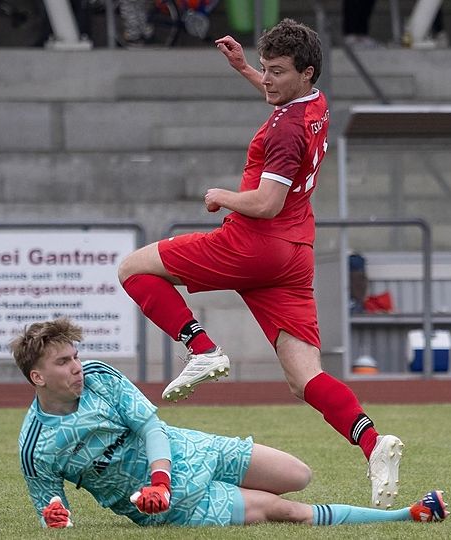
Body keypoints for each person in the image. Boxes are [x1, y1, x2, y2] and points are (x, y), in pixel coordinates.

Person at [117, 19, 405, 510]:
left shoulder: (287, 130)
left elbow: (268, 202)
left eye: (276, 71)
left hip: (253, 243)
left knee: (132, 269)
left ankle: (202, 348)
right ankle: (373, 442)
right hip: (294, 256)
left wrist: (221, 196)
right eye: (265, 69)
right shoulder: (314, 103)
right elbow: (281, 98)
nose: (267, 79)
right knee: (304, 378)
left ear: (306, 71)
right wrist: (245, 69)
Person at [12, 318, 450, 528]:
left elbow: (151, 428)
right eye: (64, 362)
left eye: (76, 357)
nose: (78, 367)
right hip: (172, 504)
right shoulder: (36, 446)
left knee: (298, 475)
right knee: (285, 512)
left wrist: (160, 476)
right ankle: (406, 515)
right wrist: (56, 514)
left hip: (186, 452)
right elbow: (52, 511)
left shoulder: (101, 378)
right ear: (37, 377)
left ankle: (236, 494)